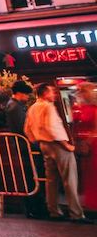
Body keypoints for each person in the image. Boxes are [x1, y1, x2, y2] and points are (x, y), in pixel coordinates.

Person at [24, 83, 92, 223]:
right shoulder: (48, 107)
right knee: (69, 179)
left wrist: (37, 141)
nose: (54, 94)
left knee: (51, 179)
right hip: (57, 145)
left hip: (44, 145)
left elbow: (27, 129)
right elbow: (52, 128)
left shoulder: (32, 108)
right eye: (51, 92)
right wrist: (66, 145)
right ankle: (76, 214)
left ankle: (54, 210)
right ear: (44, 94)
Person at [6, 79, 45, 219]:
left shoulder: (14, 105)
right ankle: (34, 208)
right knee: (31, 176)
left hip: (23, 145)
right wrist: (35, 143)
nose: (28, 97)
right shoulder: (15, 107)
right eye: (27, 94)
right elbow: (23, 128)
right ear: (20, 93)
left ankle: (33, 207)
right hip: (25, 146)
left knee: (30, 176)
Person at [72, 83, 97, 211]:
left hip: (93, 142)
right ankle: (91, 201)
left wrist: (87, 141)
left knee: (94, 171)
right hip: (84, 143)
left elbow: (95, 128)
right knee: (88, 173)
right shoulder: (80, 107)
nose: (79, 94)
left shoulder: (94, 108)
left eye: (81, 91)